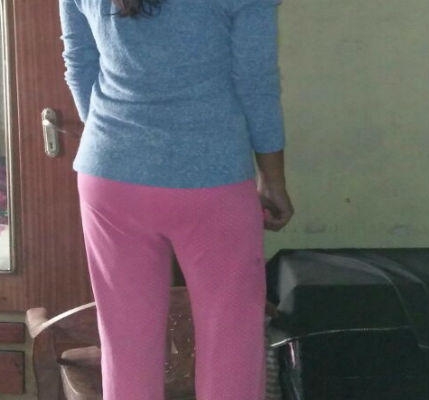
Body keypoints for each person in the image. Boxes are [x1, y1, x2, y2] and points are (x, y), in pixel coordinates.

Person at [59, 0, 293, 398]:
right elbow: (256, 82)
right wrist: (272, 179)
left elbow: (79, 64)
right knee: (231, 336)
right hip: (211, 180)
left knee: (125, 339)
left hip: (111, 179)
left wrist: (113, 141)